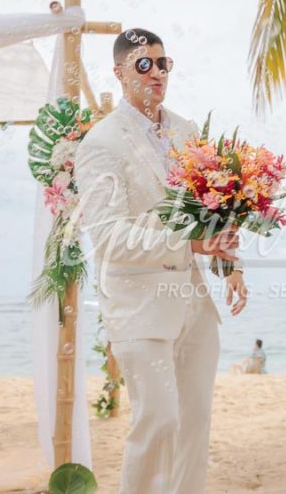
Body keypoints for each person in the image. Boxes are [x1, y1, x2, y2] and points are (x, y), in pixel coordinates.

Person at [75, 28, 248, 494]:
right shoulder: (100, 144)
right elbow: (108, 236)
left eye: (162, 63)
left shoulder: (189, 132)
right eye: (143, 64)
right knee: (158, 422)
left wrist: (230, 265)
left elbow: (214, 207)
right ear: (119, 72)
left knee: (194, 424)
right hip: (138, 307)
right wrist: (188, 245)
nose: (156, 73)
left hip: (194, 302)